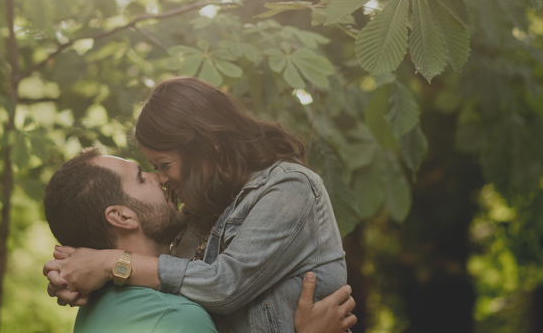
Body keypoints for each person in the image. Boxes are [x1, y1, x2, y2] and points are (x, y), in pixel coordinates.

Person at [45, 77, 351, 332]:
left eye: (164, 165)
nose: (161, 179)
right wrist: (71, 273)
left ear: (208, 146)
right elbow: (164, 273)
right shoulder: (203, 207)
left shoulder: (288, 187)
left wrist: (111, 263)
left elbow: (224, 286)